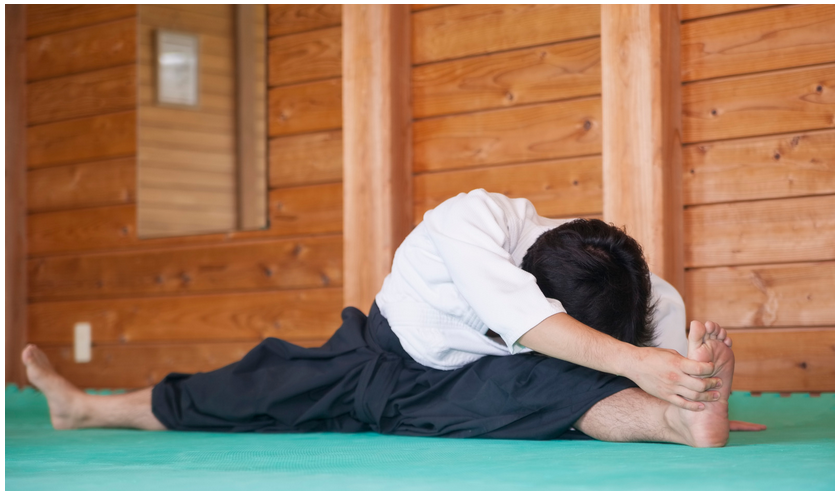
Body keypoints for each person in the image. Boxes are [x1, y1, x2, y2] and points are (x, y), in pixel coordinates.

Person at [21, 190, 765, 446]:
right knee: (240, 392)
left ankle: (675, 426)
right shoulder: (469, 224)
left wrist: (681, 386)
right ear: (528, 274)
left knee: (557, 392)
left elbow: (658, 306)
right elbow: (527, 321)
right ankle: (84, 408)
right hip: (374, 361)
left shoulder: (614, 268)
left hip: (472, 383)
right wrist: (640, 364)